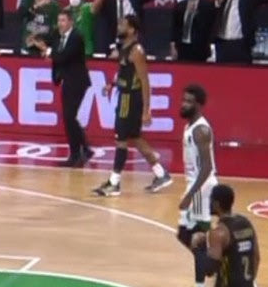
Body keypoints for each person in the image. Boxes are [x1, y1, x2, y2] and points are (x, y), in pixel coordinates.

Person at [93, 17, 172, 196]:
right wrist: (112, 84)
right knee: (135, 138)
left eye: (123, 25)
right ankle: (161, 174)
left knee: (121, 139)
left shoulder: (137, 51)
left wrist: (146, 110)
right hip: (124, 96)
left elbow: (145, 81)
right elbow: (124, 72)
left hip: (131, 99)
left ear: (132, 30)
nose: (119, 27)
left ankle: (114, 183)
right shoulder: (124, 47)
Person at [30, 10, 94, 168]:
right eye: (59, 20)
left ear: (71, 22)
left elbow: (63, 56)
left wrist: (48, 51)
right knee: (69, 117)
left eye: (63, 20)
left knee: (69, 117)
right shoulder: (57, 35)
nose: (60, 24)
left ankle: (76, 155)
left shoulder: (76, 37)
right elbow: (46, 44)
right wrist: (36, 42)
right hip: (67, 80)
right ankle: (85, 149)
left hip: (78, 81)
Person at [173, 84, 217, 287]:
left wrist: (191, 194)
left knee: (198, 241)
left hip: (201, 189)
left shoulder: (201, 131)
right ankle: (212, 264)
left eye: (189, 101)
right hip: (194, 186)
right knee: (183, 234)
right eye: (183, 100)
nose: (183, 104)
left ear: (199, 105)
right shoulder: (190, 126)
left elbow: (207, 167)